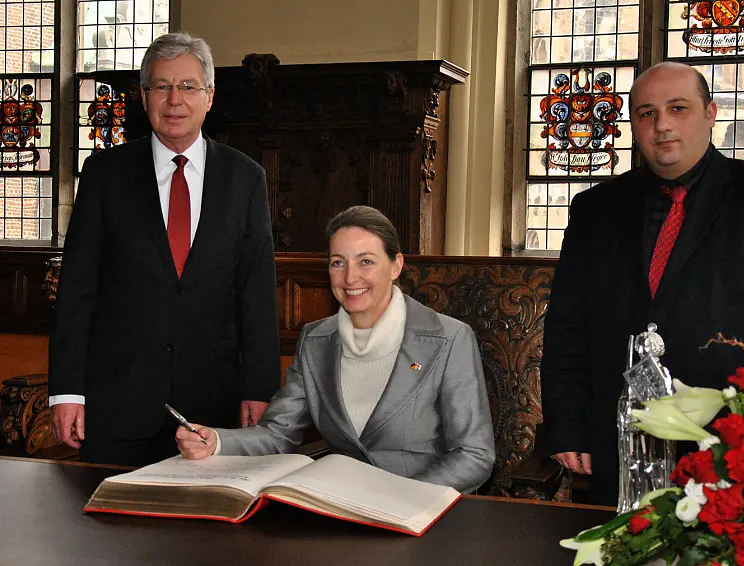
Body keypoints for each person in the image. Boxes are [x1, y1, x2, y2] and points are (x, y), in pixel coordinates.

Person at [538, 62, 744, 506]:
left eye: (678, 108)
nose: (662, 125)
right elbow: (567, 328)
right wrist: (567, 425)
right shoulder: (593, 209)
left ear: (711, 112)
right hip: (619, 442)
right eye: (646, 113)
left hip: (736, 447)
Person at [48, 32, 280, 466]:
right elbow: (77, 292)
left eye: (188, 86)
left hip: (210, 412)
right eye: (161, 86)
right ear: (143, 95)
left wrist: (259, 389)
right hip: (116, 405)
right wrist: (66, 391)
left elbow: (257, 295)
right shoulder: (104, 175)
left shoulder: (245, 179)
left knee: (204, 534)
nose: (175, 99)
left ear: (210, 96)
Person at [176, 206, 495, 494]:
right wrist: (215, 441)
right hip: (341, 507)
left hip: (424, 515)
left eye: (366, 261)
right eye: (338, 263)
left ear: (396, 265)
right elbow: (278, 433)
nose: (350, 277)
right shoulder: (316, 339)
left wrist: (405, 499)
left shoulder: (449, 339)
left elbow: (475, 455)